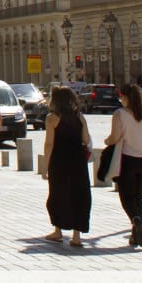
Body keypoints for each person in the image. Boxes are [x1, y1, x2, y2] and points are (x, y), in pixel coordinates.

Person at [106, 83, 142, 248]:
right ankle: (135, 234)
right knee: (137, 197)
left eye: (121, 97)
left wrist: (107, 141)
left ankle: (136, 221)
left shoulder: (120, 114)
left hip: (127, 160)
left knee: (126, 196)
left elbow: (115, 137)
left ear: (125, 97)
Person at [42, 85, 91, 247]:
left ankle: (58, 230)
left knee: (58, 194)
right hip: (78, 161)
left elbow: (49, 144)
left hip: (59, 161)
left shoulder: (52, 118)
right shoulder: (80, 117)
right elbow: (86, 139)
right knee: (79, 195)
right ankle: (77, 236)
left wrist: (45, 166)